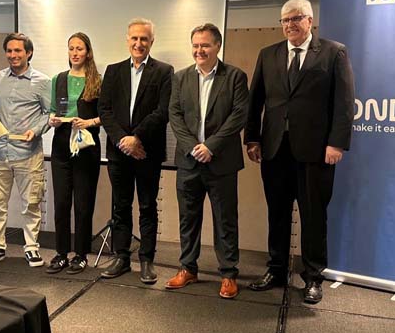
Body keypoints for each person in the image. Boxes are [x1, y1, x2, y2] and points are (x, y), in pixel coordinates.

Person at [244, 0, 355, 304]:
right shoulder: (268, 54)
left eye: (296, 18)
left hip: (315, 152)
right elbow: (256, 100)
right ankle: (277, 270)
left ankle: (313, 277)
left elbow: (344, 102)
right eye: (285, 20)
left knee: (313, 216)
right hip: (274, 149)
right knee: (277, 213)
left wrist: (337, 142)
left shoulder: (333, 52)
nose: (290, 24)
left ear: (310, 21)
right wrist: (252, 138)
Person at [166, 23, 249, 299]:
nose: (199, 50)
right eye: (195, 45)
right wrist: (193, 148)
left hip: (221, 161)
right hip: (189, 162)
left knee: (225, 220)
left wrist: (210, 146)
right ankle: (188, 268)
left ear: (217, 46)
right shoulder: (180, 78)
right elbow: (175, 115)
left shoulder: (235, 77)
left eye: (205, 45)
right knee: (188, 218)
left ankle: (228, 274)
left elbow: (239, 115)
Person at [97, 18, 173, 283]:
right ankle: (121, 257)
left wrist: (136, 137)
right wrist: (124, 140)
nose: (138, 43)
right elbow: (104, 110)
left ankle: (147, 260)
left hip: (147, 151)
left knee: (148, 206)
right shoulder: (113, 70)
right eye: (134, 38)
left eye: (144, 39)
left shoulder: (164, 71)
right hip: (119, 152)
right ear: (127, 40)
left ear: (152, 41)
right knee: (121, 205)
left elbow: (163, 111)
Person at [0, 33, 51, 268]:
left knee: (31, 203)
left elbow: (50, 113)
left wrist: (36, 130)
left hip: (28, 153)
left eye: (18, 50)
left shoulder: (43, 81)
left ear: (29, 53)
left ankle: (32, 247)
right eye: (9, 50)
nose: (13, 55)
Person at [45, 32, 103, 275]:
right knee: (61, 202)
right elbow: (52, 110)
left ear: (88, 52)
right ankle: (61, 253)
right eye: (71, 48)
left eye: (80, 48)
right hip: (61, 143)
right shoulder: (58, 79)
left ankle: (80, 254)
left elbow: (106, 116)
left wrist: (89, 122)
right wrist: (52, 120)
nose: (75, 53)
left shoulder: (97, 81)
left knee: (83, 204)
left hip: (86, 144)